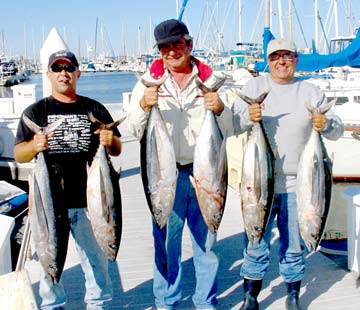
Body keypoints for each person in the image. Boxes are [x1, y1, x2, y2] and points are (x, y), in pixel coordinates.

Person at [127, 19, 234, 310]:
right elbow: (136, 130)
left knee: (206, 246)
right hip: (165, 174)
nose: (171, 51)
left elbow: (231, 127)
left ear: (189, 44)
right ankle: (167, 303)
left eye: (177, 44)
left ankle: (206, 303)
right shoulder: (148, 82)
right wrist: (144, 106)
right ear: (159, 51)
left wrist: (220, 108)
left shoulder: (212, 80)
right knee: (166, 246)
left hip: (205, 173)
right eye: (164, 47)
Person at [233, 38, 344, 310]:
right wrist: (250, 116)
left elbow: (337, 130)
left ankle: (292, 294)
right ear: (267, 61)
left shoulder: (310, 92)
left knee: (294, 245)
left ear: (296, 59)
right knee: (256, 241)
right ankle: (251, 296)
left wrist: (325, 123)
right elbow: (233, 125)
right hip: (259, 183)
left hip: (300, 185)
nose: (281, 61)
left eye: (287, 56)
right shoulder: (254, 87)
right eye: (275, 57)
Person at [14, 50, 122, 310]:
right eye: (58, 68)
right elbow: (20, 154)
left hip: (89, 204)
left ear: (78, 73)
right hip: (49, 205)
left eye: (69, 68)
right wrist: (35, 145)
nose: (64, 73)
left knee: (97, 268)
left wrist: (111, 140)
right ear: (49, 74)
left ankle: (99, 306)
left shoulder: (94, 108)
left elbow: (117, 149)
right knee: (49, 271)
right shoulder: (36, 112)